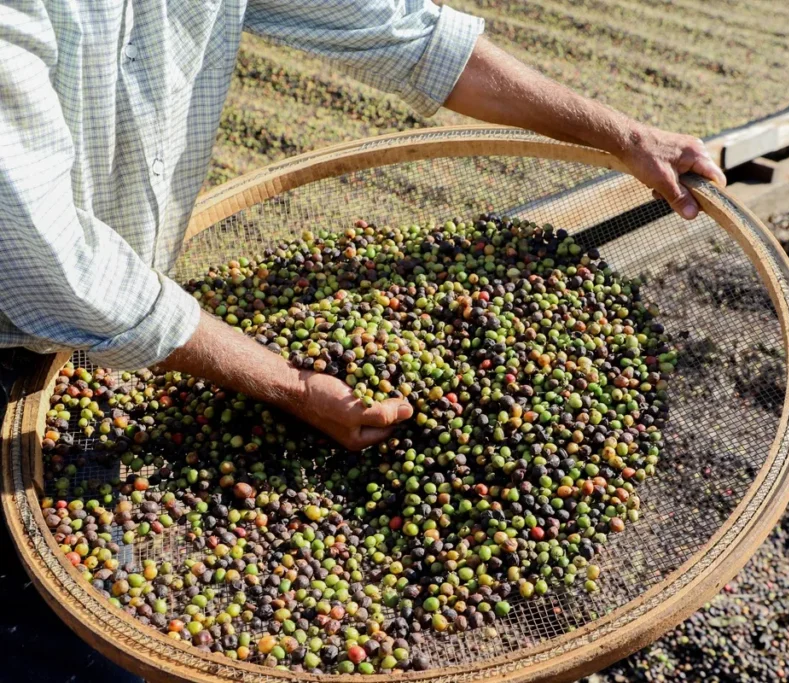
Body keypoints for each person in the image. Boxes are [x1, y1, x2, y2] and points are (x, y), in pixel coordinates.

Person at [0, 0, 726, 451]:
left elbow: (402, 34)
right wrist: (288, 385)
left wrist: (623, 135)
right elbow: (53, 262)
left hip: (120, 338)